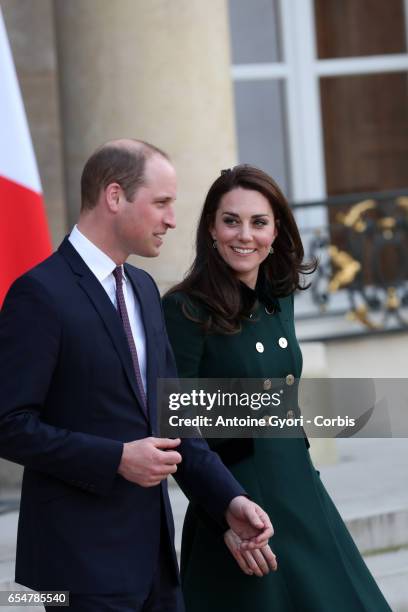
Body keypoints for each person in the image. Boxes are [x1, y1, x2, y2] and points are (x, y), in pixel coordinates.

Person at [0, 142, 274, 612]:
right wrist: (115, 459)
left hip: (157, 566)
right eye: (162, 202)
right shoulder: (39, 294)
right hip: (77, 569)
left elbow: (176, 418)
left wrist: (229, 500)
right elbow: (9, 424)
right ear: (114, 196)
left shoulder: (145, 290)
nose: (171, 219)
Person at [162, 164, 391, 611]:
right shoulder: (184, 311)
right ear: (211, 227)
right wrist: (224, 512)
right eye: (231, 221)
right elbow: (182, 431)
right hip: (242, 509)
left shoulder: (277, 297)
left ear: (276, 230)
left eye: (258, 222)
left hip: (303, 492)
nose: (244, 235)